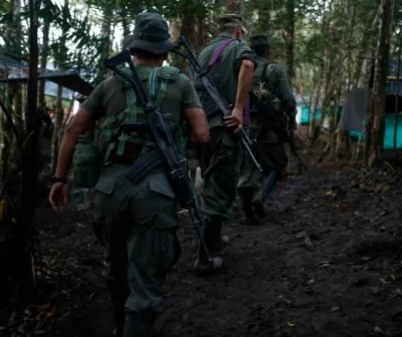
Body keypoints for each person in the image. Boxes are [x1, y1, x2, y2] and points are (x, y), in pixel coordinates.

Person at [48, 12, 209, 337]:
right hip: (156, 193)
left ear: (133, 49)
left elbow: (72, 130)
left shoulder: (110, 84)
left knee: (116, 268)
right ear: (164, 51)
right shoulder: (180, 83)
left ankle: (119, 325)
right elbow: (202, 135)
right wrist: (173, 142)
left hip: (108, 191)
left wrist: (59, 179)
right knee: (145, 287)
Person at [192, 14, 256, 274]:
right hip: (223, 127)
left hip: (200, 130)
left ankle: (214, 240)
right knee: (220, 189)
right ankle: (204, 258)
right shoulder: (236, 46)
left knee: (210, 183)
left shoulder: (202, 52)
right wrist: (239, 108)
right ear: (238, 31)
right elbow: (249, 66)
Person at [237, 35, 297, 224]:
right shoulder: (274, 69)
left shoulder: (243, 69)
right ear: (268, 52)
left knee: (249, 168)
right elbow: (287, 98)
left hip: (246, 127)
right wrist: (291, 120)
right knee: (277, 164)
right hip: (269, 128)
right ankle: (259, 198)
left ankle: (247, 210)